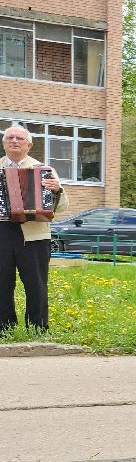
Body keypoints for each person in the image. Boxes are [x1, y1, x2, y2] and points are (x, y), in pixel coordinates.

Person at [0, 123, 67, 334]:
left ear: (29, 145)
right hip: (2, 233)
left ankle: (38, 328)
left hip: (34, 234)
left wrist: (58, 190)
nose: (14, 141)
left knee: (36, 284)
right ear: (3, 144)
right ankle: (4, 328)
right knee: (1, 283)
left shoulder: (44, 170)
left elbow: (63, 206)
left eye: (19, 138)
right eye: (9, 138)